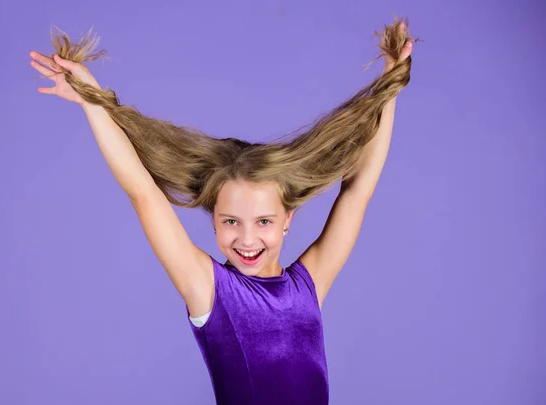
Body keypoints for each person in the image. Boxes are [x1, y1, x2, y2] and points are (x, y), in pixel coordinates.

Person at [29, 17, 415, 405]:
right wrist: (91, 100)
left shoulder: (308, 286)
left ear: (287, 222)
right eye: (231, 222)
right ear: (214, 223)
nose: (247, 239)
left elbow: (357, 190)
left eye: (263, 221)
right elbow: (143, 192)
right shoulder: (209, 290)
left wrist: (390, 85)